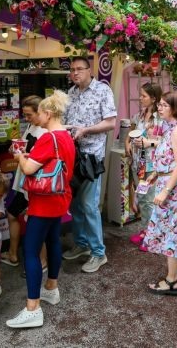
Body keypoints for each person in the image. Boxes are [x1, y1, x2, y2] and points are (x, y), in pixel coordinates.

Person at [7, 91, 75, 328]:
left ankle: (32, 308)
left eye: (40, 113)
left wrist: (19, 157)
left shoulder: (48, 138)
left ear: (47, 113)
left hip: (43, 201)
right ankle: (51, 287)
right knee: (53, 241)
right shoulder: (66, 135)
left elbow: (27, 169)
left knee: (31, 250)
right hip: (60, 198)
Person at [63, 56, 117, 273]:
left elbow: (111, 123)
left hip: (91, 158)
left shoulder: (103, 90)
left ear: (90, 70)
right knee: (75, 205)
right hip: (72, 156)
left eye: (79, 69)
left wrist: (85, 130)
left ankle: (98, 252)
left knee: (89, 205)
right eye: (72, 70)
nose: (75, 73)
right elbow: (65, 121)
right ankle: (82, 244)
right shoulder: (71, 93)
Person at [142, 91, 177, 296]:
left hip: (174, 187)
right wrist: (156, 174)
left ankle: (172, 280)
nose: (160, 108)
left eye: (165, 105)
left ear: (175, 108)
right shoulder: (172, 127)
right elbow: (170, 157)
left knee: (171, 230)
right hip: (170, 182)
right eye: (160, 104)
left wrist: (165, 191)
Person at [2, 95, 46, 267]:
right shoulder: (31, 126)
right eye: (24, 114)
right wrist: (16, 150)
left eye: (29, 115)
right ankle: (13, 254)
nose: (26, 118)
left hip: (36, 184)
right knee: (12, 214)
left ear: (40, 112)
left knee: (37, 223)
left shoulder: (46, 132)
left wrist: (21, 156)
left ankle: (42, 261)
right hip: (24, 183)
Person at [126, 83, 164, 250]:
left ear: (153, 98)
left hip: (152, 165)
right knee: (142, 198)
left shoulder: (161, 118)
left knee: (149, 200)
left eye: (144, 96)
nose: (140, 98)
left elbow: (167, 142)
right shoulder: (140, 115)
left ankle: (152, 236)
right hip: (138, 164)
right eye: (140, 95)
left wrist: (149, 143)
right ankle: (146, 230)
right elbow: (131, 133)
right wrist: (127, 143)